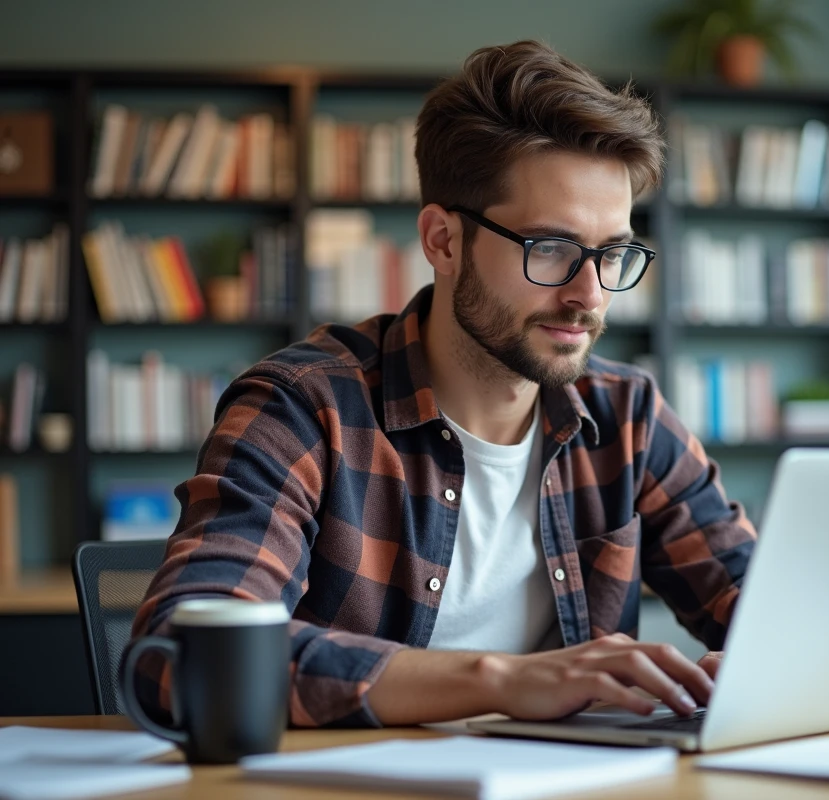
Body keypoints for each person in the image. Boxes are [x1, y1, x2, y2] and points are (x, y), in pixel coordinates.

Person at [130, 39, 757, 728]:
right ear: (443, 242)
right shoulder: (304, 408)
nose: (591, 295)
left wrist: (775, 657)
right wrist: (502, 681)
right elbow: (181, 657)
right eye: (551, 248)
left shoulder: (628, 415)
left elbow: (762, 606)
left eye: (612, 254)